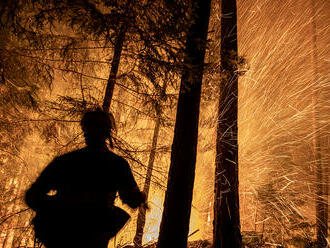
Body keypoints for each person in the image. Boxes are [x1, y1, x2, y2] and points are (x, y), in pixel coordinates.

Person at [25, 108, 147, 248]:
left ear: (84, 130)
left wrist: (58, 209)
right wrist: (140, 198)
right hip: (94, 236)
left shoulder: (65, 161)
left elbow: (32, 196)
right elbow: (131, 199)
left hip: (63, 235)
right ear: (108, 133)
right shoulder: (117, 164)